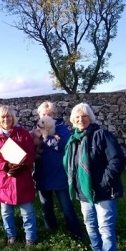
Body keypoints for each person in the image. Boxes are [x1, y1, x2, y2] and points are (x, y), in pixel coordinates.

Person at [64, 103, 126, 251]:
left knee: (105, 228)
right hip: (85, 192)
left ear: (90, 117)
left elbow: (117, 160)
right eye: (77, 117)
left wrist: (105, 181)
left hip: (103, 192)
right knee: (90, 225)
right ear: (72, 120)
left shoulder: (102, 135)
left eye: (84, 116)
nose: (80, 119)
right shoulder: (74, 140)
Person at [0, 105, 38, 246]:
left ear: (13, 118)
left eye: (8, 116)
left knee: (27, 211)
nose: (6, 119)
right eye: (3, 117)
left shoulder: (23, 134)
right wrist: (5, 166)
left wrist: (22, 165)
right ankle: (11, 236)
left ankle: (31, 238)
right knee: (6, 211)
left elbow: (31, 153)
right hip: (4, 178)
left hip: (22, 178)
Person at [32, 101, 82, 240]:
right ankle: (51, 231)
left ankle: (75, 232)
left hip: (59, 172)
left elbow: (63, 144)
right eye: (43, 114)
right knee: (46, 205)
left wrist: (46, 137)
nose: (47, 116)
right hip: (42, 172)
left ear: (54, 115)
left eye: (50, 114)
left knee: (66, 206)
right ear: (39, 115)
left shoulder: (61, 128)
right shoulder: (38, 128)